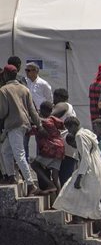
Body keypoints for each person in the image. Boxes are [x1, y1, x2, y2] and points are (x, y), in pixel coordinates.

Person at [53, 117, 101, 236]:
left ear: (73, 126)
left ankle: (78, 218)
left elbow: (86, 158)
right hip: (97, 168)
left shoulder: (79, 136)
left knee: (71, 189)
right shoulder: (87, 132)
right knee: (93, 199)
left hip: (90, 169)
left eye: (69, 128)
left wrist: (79, 177)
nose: (69, 131)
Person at [0, 64, 40, 193]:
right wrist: (39, 124)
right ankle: (11, 177)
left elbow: (3, 111)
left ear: (6, 75)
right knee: (5, 151)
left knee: (19, 154)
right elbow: (32, 110)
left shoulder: (4, 90)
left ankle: (30, 184)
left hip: (13, 125)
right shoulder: (24, 89)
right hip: (23, 124)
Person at [30, 101, 64, 194]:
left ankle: (50, 185)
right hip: (59, 148)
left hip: (51, 148)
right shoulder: (53, 119)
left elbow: (32, 128)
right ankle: (58, 202)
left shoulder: (44, 121)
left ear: (42, 110)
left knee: (34, 164)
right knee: (55, 175)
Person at [51, 88, 78, 186]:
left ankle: (65, 199)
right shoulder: (70, 108)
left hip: (64, 147)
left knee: (64, 178)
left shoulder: (63, 105)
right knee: (66, 177)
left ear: (58, 97)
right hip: (69, 147)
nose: (53, 100)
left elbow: (48, 117)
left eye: (54, 97)